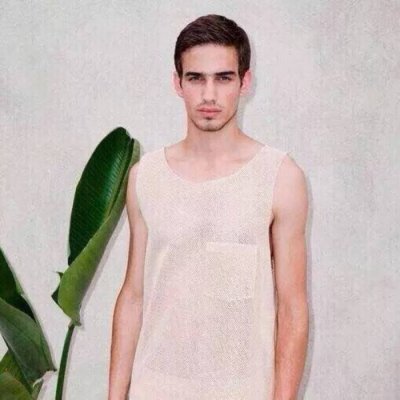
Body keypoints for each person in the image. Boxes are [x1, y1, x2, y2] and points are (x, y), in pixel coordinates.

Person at [108, 14, 309, 400]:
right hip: (155, 389)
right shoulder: (145, 176)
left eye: (224, 78)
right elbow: (133, 296)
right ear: (178, 83)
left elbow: (292, 308)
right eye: (196, 78)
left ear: (245, 82)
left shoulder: (280, 177)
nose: (209, 95)